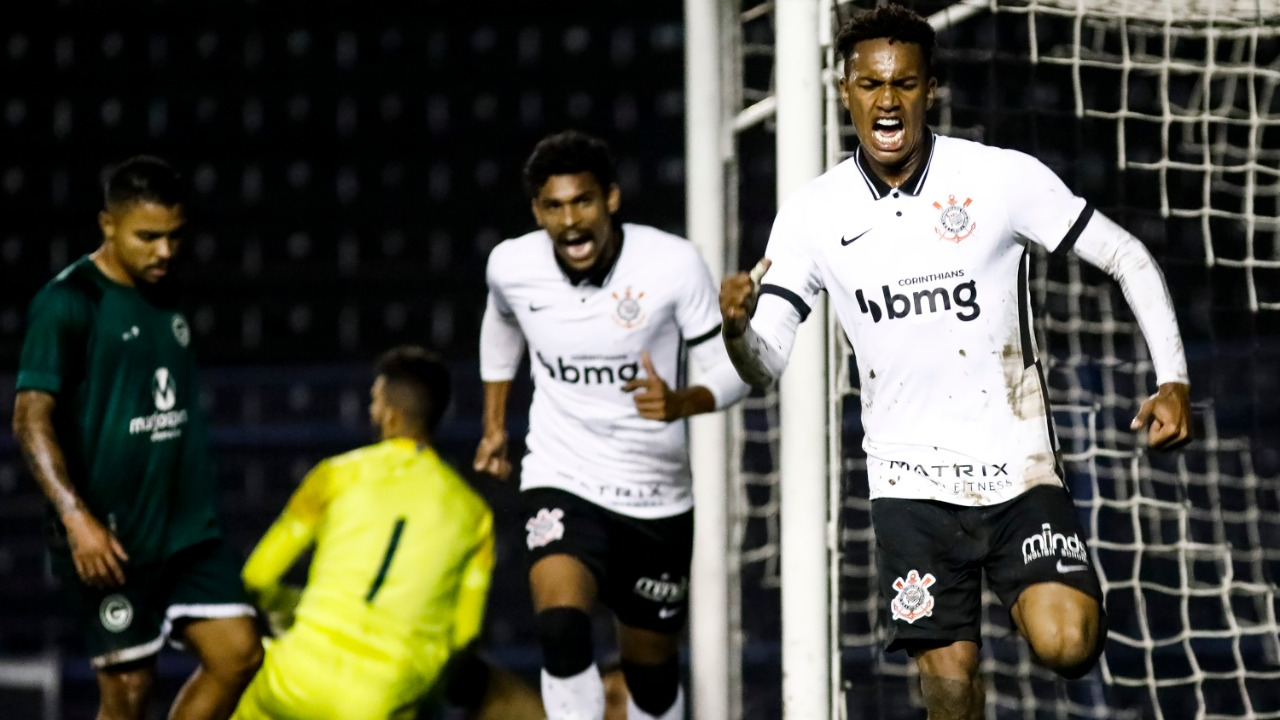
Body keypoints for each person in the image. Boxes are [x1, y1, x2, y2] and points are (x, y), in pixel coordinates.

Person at [719, 5, 1193, 719]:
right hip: (910, 488)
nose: (887, 100)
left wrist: (1173, 379)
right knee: (949, 694)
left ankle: (1035, 588)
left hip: (1016, 469)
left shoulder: (999, 179)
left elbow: (1125, 255)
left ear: (930, 88)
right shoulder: (813, 215)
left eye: (904, 83)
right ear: (845, 90)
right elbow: (765, 364)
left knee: (1068, 643)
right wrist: (735, 333)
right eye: (870, 84)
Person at [473, 129, 751, 720]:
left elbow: (731, 376)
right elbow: (500, 323)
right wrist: (494, 424)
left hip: (654, 496)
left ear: (612, 200)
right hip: (562, 474)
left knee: (650, 681)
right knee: (561, 631)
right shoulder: (512, 266)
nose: (570, 220)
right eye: (554, 206)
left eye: (583, 202)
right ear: (537, 211)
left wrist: (679, 403)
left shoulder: (671, 264)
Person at [11, 155, 263, 720]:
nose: (164, 252)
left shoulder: (170, 289)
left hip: (186, 531)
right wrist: (77, 519)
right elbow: (29, 418)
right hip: (110, 537)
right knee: (127, 695)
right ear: (107, 225)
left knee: (239, 655)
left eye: (175, 237)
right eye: (147, 237)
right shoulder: (69, 302)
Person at [231, 346, 529, 720]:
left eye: (374, 400)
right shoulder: (474, 514)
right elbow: (464, 638)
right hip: (381, 701)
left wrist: (297, 612)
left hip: (292, 681)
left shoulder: (336, 474)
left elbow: (256, 578)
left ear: (388, 413)